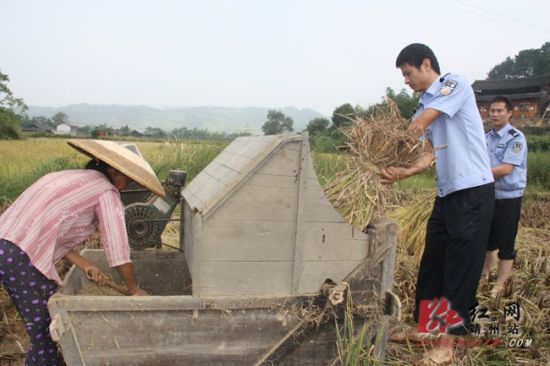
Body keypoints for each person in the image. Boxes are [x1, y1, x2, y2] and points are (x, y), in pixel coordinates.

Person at [0, 139, 165, 366]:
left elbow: (50, 233)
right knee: (47, 329)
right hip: (21, 256)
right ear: (114, 170)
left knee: (47, 314)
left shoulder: (69, 177)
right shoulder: (106, 192)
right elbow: (117, 249)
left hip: (8, 249)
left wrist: (86, 264)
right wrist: (134, 290)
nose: (125, 186)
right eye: (127, 179)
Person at [380, 43, 495, 365]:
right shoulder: (422, 105)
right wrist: (403, 171)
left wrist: (386, 141)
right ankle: (428, 330)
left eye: (408, 73)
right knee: (434, 265)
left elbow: (419, 125)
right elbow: (428, 152)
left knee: (460, 269)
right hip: (447, 194)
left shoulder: (453, 84)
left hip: (472, 192)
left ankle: (446, 346)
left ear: (426, 64)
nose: (406, 81)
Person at [481, 96, 527, 299]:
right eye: (492, 110)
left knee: (506, 241)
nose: (495, 114)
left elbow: (507, 168)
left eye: (500, 111)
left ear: (509, 113)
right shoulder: (486, 137)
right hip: (489, 194)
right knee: (488, 239)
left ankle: (500, 283)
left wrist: (477, 174)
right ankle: (484, 273)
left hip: (509, 196)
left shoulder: (515, 138)